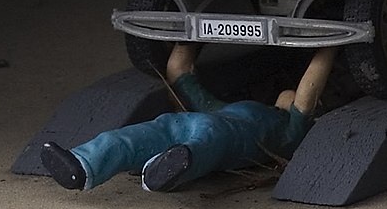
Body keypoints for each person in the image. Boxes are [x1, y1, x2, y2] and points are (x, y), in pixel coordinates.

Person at [41, 44, 338, 193]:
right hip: (193, 121)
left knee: (202, 149)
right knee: (136, 136)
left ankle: (166, 170)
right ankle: (82, 165)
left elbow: (309, 87)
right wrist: (196, 20)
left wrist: (333, 42)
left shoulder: (292, 132)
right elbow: (178, 71)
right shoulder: (226, 107)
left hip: (224, 138)